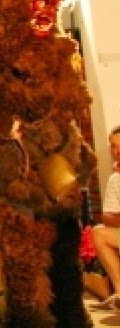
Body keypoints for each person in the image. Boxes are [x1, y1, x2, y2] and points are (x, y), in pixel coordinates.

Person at [90, 125, 120, 309]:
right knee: (98, 233)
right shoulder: (115, 179)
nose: (118, 151)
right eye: (114, 146)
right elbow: (107, 216)